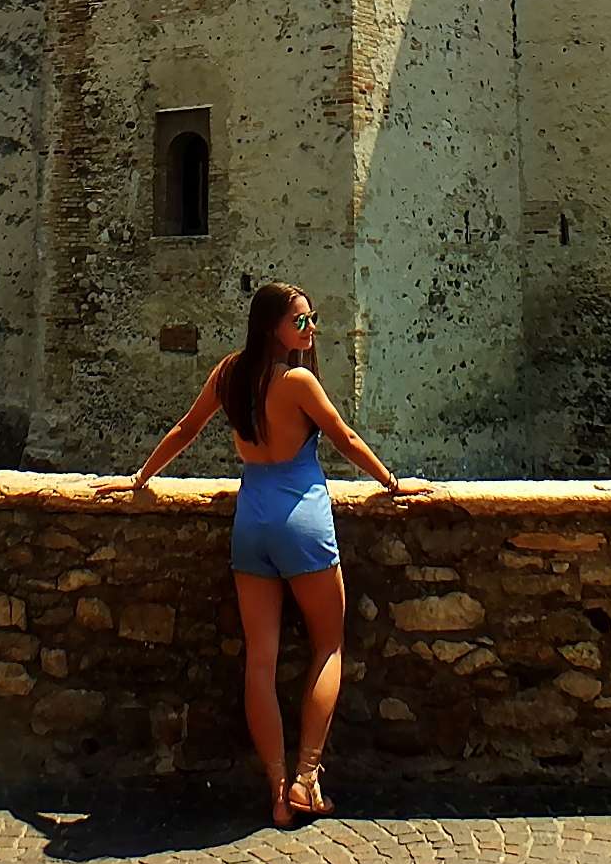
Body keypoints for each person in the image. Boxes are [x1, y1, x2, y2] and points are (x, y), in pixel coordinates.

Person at [112, 282, 424, 826]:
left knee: (260, 662)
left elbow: (187, 429)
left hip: (251, 519)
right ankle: (307, 777)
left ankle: (276, 792)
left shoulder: (229, 373)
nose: (311, 330)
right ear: (272, 327)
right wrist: (392, 482)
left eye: (312, 320)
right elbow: (345, 439)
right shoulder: (298, 381)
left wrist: (140, 477)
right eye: (300, 322)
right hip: (301, 519)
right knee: (328, 647)